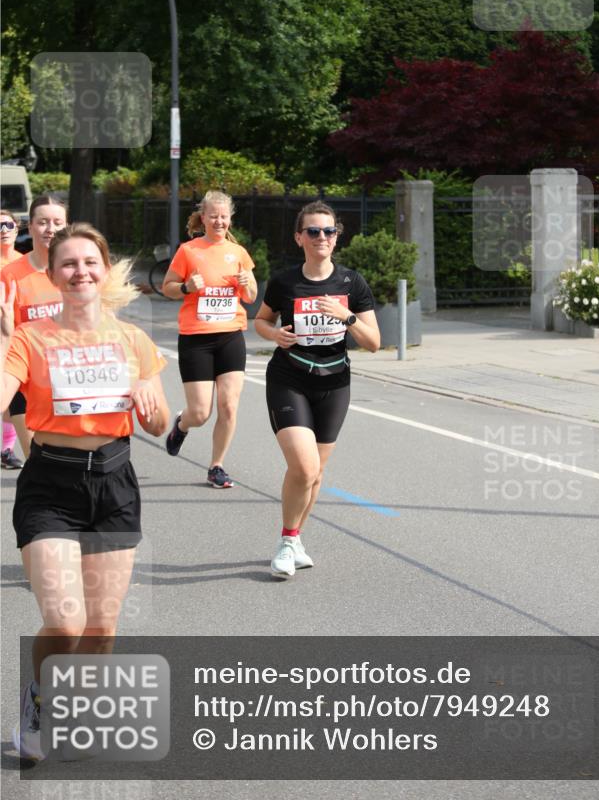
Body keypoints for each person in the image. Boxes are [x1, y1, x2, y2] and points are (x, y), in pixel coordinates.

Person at [1, 222, 169, 761]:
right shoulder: (31, 338)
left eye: (89, 262)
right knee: (68, 618)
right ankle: (40, 700)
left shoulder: (133, 340)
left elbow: (161, 425)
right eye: (68, 264)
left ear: (104, 269)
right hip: (50, 482)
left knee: (99, 628)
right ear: (51, 275)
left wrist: (148, 394)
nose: (80, 272)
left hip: (115, 481)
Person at [254, 202, 380, 579]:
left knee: (317, 473)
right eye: (313, 231)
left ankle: (295, 540)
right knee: (304, 466)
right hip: (289, 378)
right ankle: (288, 540)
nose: (321, 237)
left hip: (334, 383)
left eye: (329, 231)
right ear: (299, 238)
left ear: (337, 237)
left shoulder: (351, 283)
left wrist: (348, 317)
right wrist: (274, 334)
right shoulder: (284, 281)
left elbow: (374, 342)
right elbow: (260, 320)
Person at [161, 191, 257, 489]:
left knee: (229, 406)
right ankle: (182, 424)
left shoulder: (238, 253)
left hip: (230, 336)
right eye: (213, 216)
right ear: (203, 217)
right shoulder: (189, 251)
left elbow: (252, 297)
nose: (219, 221)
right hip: (196, 338)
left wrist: (246, 284)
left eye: (224, 216)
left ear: (230, 219)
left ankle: (217, 466)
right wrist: (187, 287)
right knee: (201, 412)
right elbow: (168, 287)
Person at [1, 195, 68, 463]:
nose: (50, 228)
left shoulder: (76, 271)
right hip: (26, 379)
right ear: (30, 227)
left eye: (57, 222)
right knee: (37, 463)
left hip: (68, 380)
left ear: (67, 226)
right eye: (42, 222)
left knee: (69, 465)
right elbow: (6, 332)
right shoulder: (11, 275)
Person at [0, 209, 23, 468]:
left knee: (11, 393)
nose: (3, 229)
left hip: (15, 336)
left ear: (17, 229)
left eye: (8, 224)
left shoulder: (24, 264)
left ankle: (6, 450)